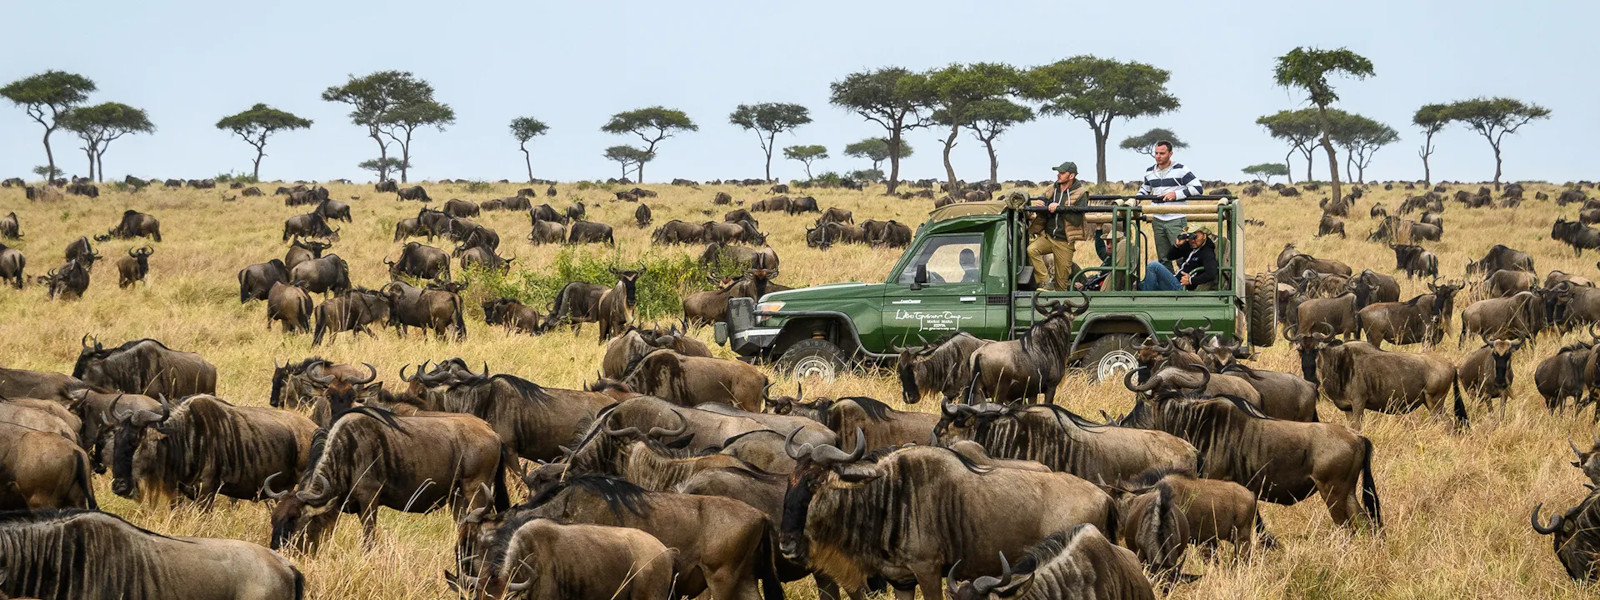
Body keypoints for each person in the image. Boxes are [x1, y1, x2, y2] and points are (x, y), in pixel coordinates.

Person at [1137, 141, 1202, 270]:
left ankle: (1185, 286)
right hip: (1158, 219)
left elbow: (1198, 188)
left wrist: (1176, 194)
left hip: (1176, 218)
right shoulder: (1150, 171)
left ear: (1170, 153)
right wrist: (1136, 200)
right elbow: (1144, 190)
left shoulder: (1181, 169)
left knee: (1181, 256)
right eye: (1156, 153)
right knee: (1163, 257)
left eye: (1162, 153)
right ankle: (1167, 286)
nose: (1158, 156)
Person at [1027, 161, 1088, 291]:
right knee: (1032, 250)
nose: (1058, 175)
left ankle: (1058, 303)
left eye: (1062, 173)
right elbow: (1044, 199)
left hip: (1064, 241)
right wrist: (1041, 203)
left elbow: (1077, 220)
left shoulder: (1081, 193)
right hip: (1048, 236)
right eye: (1058, 172)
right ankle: (1046, 282)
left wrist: (1059, 209)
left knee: (1061, 283)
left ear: (1071, 176)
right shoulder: (1052, 188)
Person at [1138, 223, 1218, 292]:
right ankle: (1147, 295)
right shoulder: (1190, 246)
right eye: (1190, 236)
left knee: (1153, 266)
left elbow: (1211, 273)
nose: (1193, 240)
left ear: (1204, 236)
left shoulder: (1207, 252)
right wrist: (1177, 245)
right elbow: (1170, 257)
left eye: (1195, 237)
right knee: (1141, 284)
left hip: (1182, 288)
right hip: (1176, 280)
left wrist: (1191, 280)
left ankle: (1146, 299)